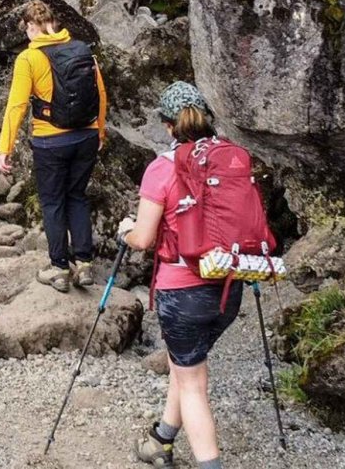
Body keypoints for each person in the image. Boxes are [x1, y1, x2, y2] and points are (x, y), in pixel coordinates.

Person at [122, 83, 243, 469]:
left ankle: (210, 464)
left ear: (168, 126)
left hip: (182, 291)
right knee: (186, 361)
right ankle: (162, 438)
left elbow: (142, 238)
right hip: (228, 286)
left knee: (193, 384)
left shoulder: (162, 168)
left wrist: (123, 230)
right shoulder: (232, 158)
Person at [0, 0, 108, 293]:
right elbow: (100, 94)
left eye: (28, 29)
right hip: (85, 135)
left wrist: (4, 147)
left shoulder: (28, 59)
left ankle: (59, 267)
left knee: (53, 202)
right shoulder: (82, 50)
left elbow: (17, 105)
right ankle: (84, 264)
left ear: (33, 26)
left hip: (50, 140)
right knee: (77, 197)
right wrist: (100, 132)